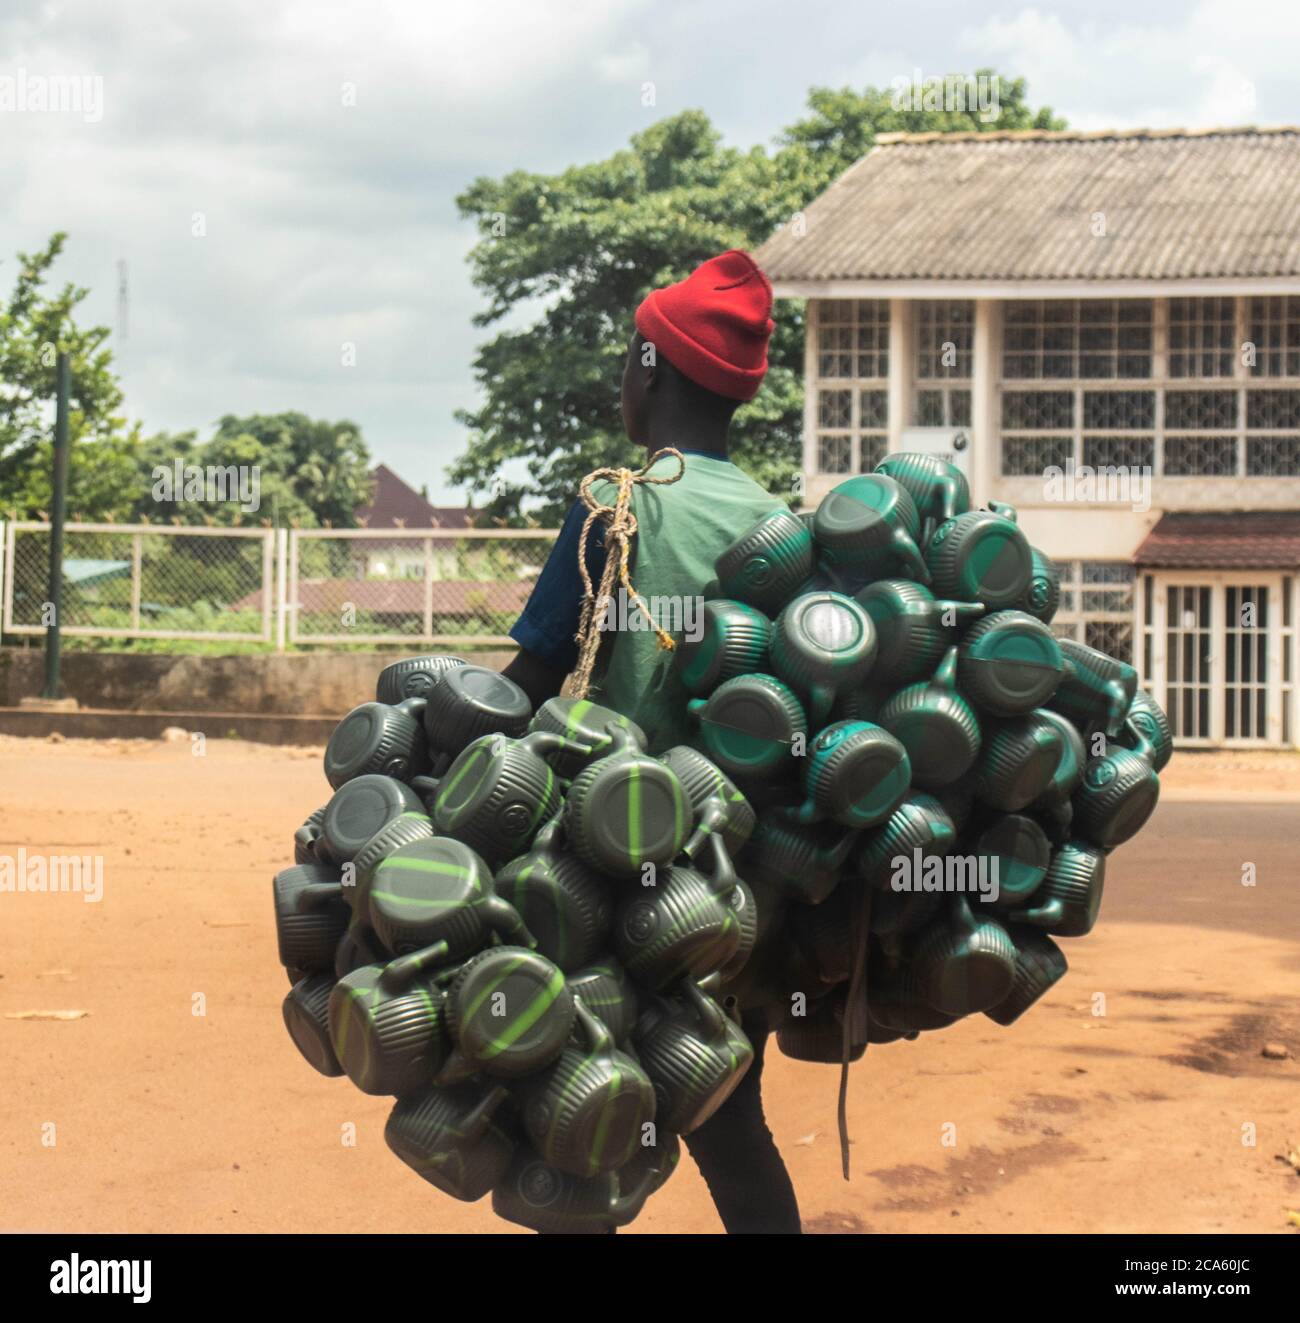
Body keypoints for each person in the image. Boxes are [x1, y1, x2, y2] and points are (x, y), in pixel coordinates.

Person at [502, 249, 802, 1234]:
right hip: (733, 889)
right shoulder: (782, 528)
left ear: (646, 368)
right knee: (729, 1121)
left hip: (605, 873)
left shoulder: (616, 507)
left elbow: (532, 684)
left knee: (572, 1124)